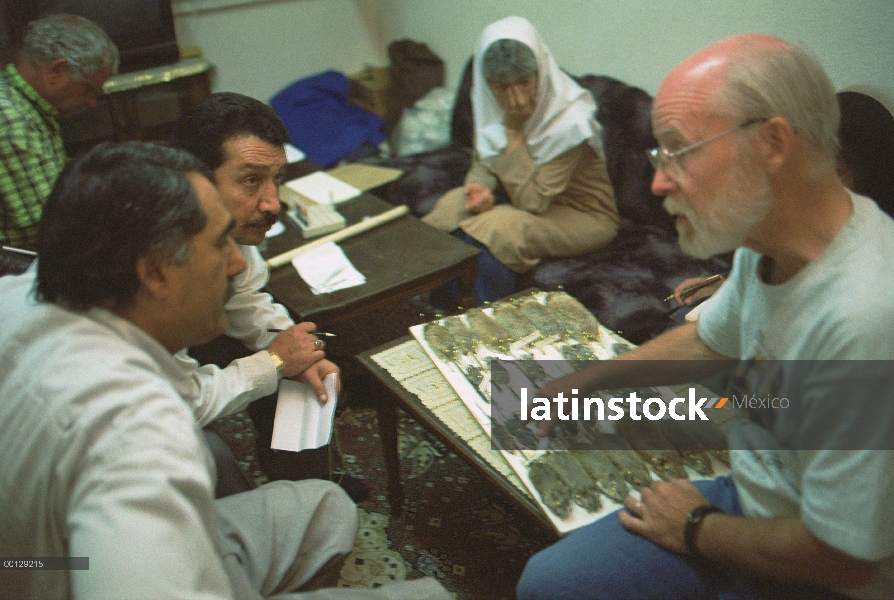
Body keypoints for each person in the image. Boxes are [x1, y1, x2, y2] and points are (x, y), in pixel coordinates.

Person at [516, 34, 894, 600]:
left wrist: (695, 527)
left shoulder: (866, 314)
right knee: (545, 583)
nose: (657, 183)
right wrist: (581, 385)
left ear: (772, 144)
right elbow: (706, 343)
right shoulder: (764, 245)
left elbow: (845, 562)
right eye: (658, 155)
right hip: (757, 495)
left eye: (679, 152)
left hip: (821, 570)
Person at [0, 141, 449, 599]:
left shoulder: (20, 294)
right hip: (64, 575)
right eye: (220, 244)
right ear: (155, 274)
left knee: (327, 506)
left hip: (49, 559)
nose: (236, 263)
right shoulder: (137, 430)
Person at [169, 92, 369, 498]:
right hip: (140, 407)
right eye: (250, 180)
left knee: (299, 372)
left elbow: (247, 300)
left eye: (276, 178)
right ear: (198, 180)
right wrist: (274, 361)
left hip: (180, 358)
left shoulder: (232, 228)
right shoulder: (156, 258)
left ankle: (305, 487)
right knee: (217, 451)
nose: (273, 203)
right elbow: (183, 400)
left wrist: (294, 350)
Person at [422, 16, 620, 305]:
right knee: (451, 207)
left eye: (525, 82)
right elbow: (484, 159)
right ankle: (431, 309)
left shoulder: (571, 123)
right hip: (520, 197)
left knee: (500, 229)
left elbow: (533, 203)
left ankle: (485, 322)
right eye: (502, 87)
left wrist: (514, 132)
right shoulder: (489, 102)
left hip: (582, 214)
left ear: (541, 72)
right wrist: (479, 186)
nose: (516, 98)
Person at [0, 13, 117, 250]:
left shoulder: (28, 104)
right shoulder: (12, 120)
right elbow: (49, 227)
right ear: (56, 71)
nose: (92, 102)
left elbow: (61, 188)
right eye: (89, 88)